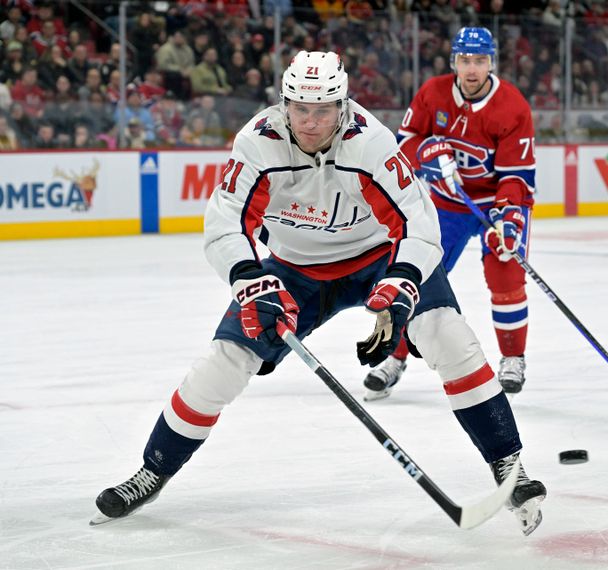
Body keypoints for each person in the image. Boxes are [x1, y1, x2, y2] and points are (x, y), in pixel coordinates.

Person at [92, 50, 546, 536]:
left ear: (343, 105)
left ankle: (509, 467)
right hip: (295, 267)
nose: (310, 122)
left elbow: (419, 222)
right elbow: (223, 224)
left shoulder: (370, 142)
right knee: (225, 360)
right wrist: (250, 279)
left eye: (323, 110)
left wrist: (402, 281)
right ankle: (152, 470)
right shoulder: (257, 142)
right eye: (300, 109)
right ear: (284, 103)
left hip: (376, 257)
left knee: (447, 334)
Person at [363, 27, 536, 399]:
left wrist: (509, 218)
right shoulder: (433, 93)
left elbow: (517, 176)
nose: (472, 69)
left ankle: (512, 359)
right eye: (464, 60)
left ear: (492, 63)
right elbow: (403, 143)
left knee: (505, 277)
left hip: (496, 204)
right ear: (454, 61)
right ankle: (395, 357)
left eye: (480, 61)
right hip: (446, 202)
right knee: (421, 277)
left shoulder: (512, 106)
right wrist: (425, 152)